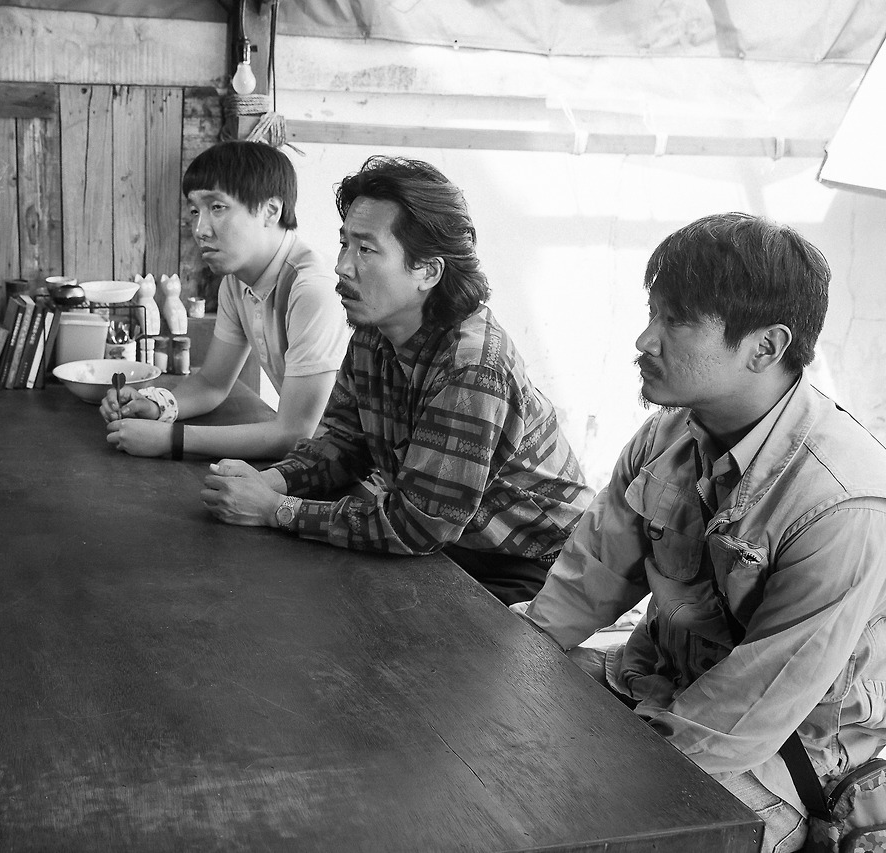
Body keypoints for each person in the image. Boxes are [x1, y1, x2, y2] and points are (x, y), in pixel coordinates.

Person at [512, 212, 886, 852]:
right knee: (498, 710)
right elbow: (583, 585)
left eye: (677, 320)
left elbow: (739, 721)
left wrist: (594, 779)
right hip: (653, 680)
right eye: (652, 313)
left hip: (779, 758)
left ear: (765, 347)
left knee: (590, 822)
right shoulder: (669, 435)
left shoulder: (841, 505)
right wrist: (510, 666)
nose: (644, 340)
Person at [200, 156, 592, 605]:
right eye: (344, 244)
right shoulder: (376, 331)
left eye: (366, 250)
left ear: (428, 271)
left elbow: (418, 526)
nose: (342, 266)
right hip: (453, 545)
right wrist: (269, 482)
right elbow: (342, 445)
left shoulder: (472, 368)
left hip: (532, 566)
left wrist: (276, 510)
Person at [101, 140, 348, 460]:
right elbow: (212, 384)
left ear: (271, 210)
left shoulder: (313, 288)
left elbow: (295, 433)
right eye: (194, 211)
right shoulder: (236, 282)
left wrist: (172, 439)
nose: (199, 229)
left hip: (363, 473)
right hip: (316, 461)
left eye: (217, 207)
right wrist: (154, 404)